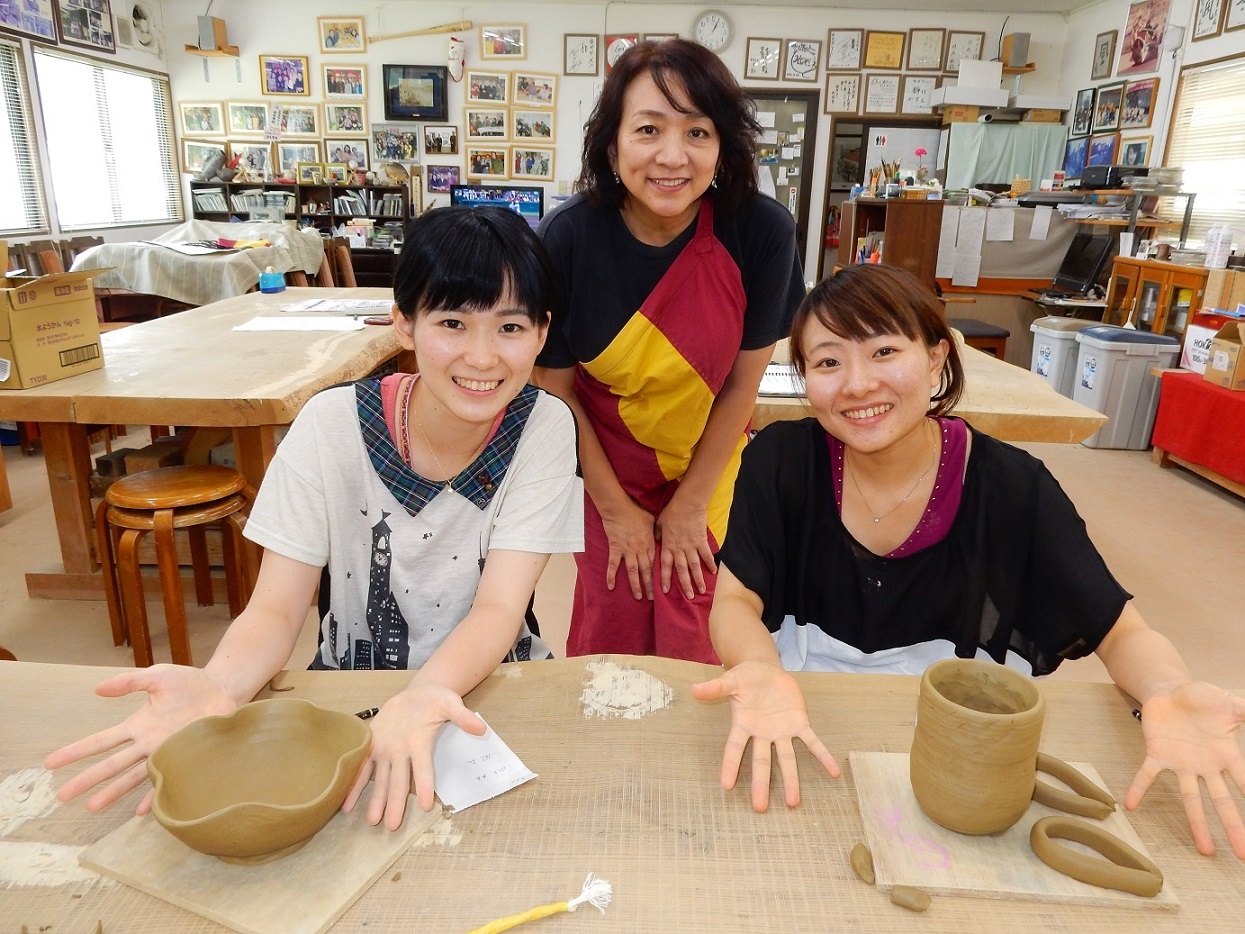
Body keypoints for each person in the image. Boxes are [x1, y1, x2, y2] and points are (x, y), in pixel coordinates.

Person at [44, 207, 584, 832]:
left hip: (493, 681)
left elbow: (499, 609)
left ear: (543, 334)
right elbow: (276, 608)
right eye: (453, 322)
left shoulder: (543, 426)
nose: (483, 357)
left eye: (511, 326)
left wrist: (425, 696)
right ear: (403, 324)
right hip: (350, 694)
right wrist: (221, 685)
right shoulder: (331, 425)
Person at [690, 264, 1245, 859]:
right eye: (828, 362)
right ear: (804, 377)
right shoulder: (780, 460)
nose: (856, 384)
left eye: (883, 351)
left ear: (935, 358)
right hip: (800, 718)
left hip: (963, 737)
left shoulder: (1011, 485)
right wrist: (757, 666)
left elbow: (1119, 629)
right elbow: (736, 601)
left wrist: (1169, 690)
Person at [534, 38, 805, 663]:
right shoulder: (568, 237)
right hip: (603, 466)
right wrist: (616, 511)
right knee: (612, 630)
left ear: (723, 147)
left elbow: (744, 386)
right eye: (649, 129)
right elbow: (554, 392)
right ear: (612, 144)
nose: (672, 156)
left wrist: (687, 508)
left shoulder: (761, 232)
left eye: (698, 132)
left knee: (701, 626)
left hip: (710, 465)